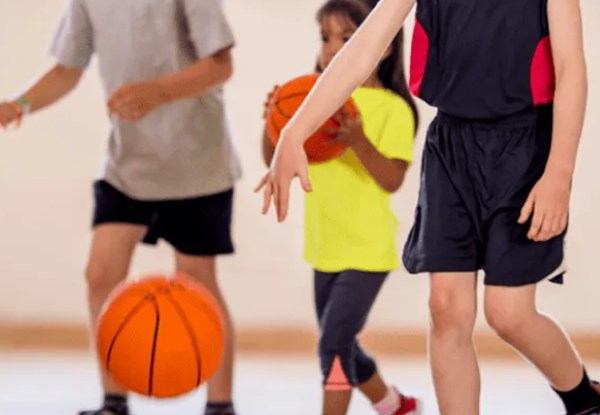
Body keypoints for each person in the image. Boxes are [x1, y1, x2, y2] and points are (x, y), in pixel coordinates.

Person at [257, 0, 600, 413]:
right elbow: (365, 44)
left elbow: (570, 69)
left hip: (524, 148)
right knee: (446, 308)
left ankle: (583, 397)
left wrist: (558, 176)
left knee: (508, 313)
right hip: (452, 148)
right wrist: (294, 132)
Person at [0, 1, 241, 414]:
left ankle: (220, 405)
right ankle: (114, 400)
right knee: (100, 274)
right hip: (127, 163)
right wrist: (18, 105)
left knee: (197, 282)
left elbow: (220, 65)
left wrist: (156, 91)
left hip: (195, 163)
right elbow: (67, 70)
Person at [262, 1, 420, 414]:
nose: (332, 48)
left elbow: (393, 180)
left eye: (347, 38)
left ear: (381, 45)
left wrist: (359, 141)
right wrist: (275, 127)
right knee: (342, 342)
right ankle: (393, 405)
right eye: (325, 38)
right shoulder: (311, 103)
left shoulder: (394, 109)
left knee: (332, 345)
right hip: (324, 246)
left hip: (367, 252)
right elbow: (275, 159)